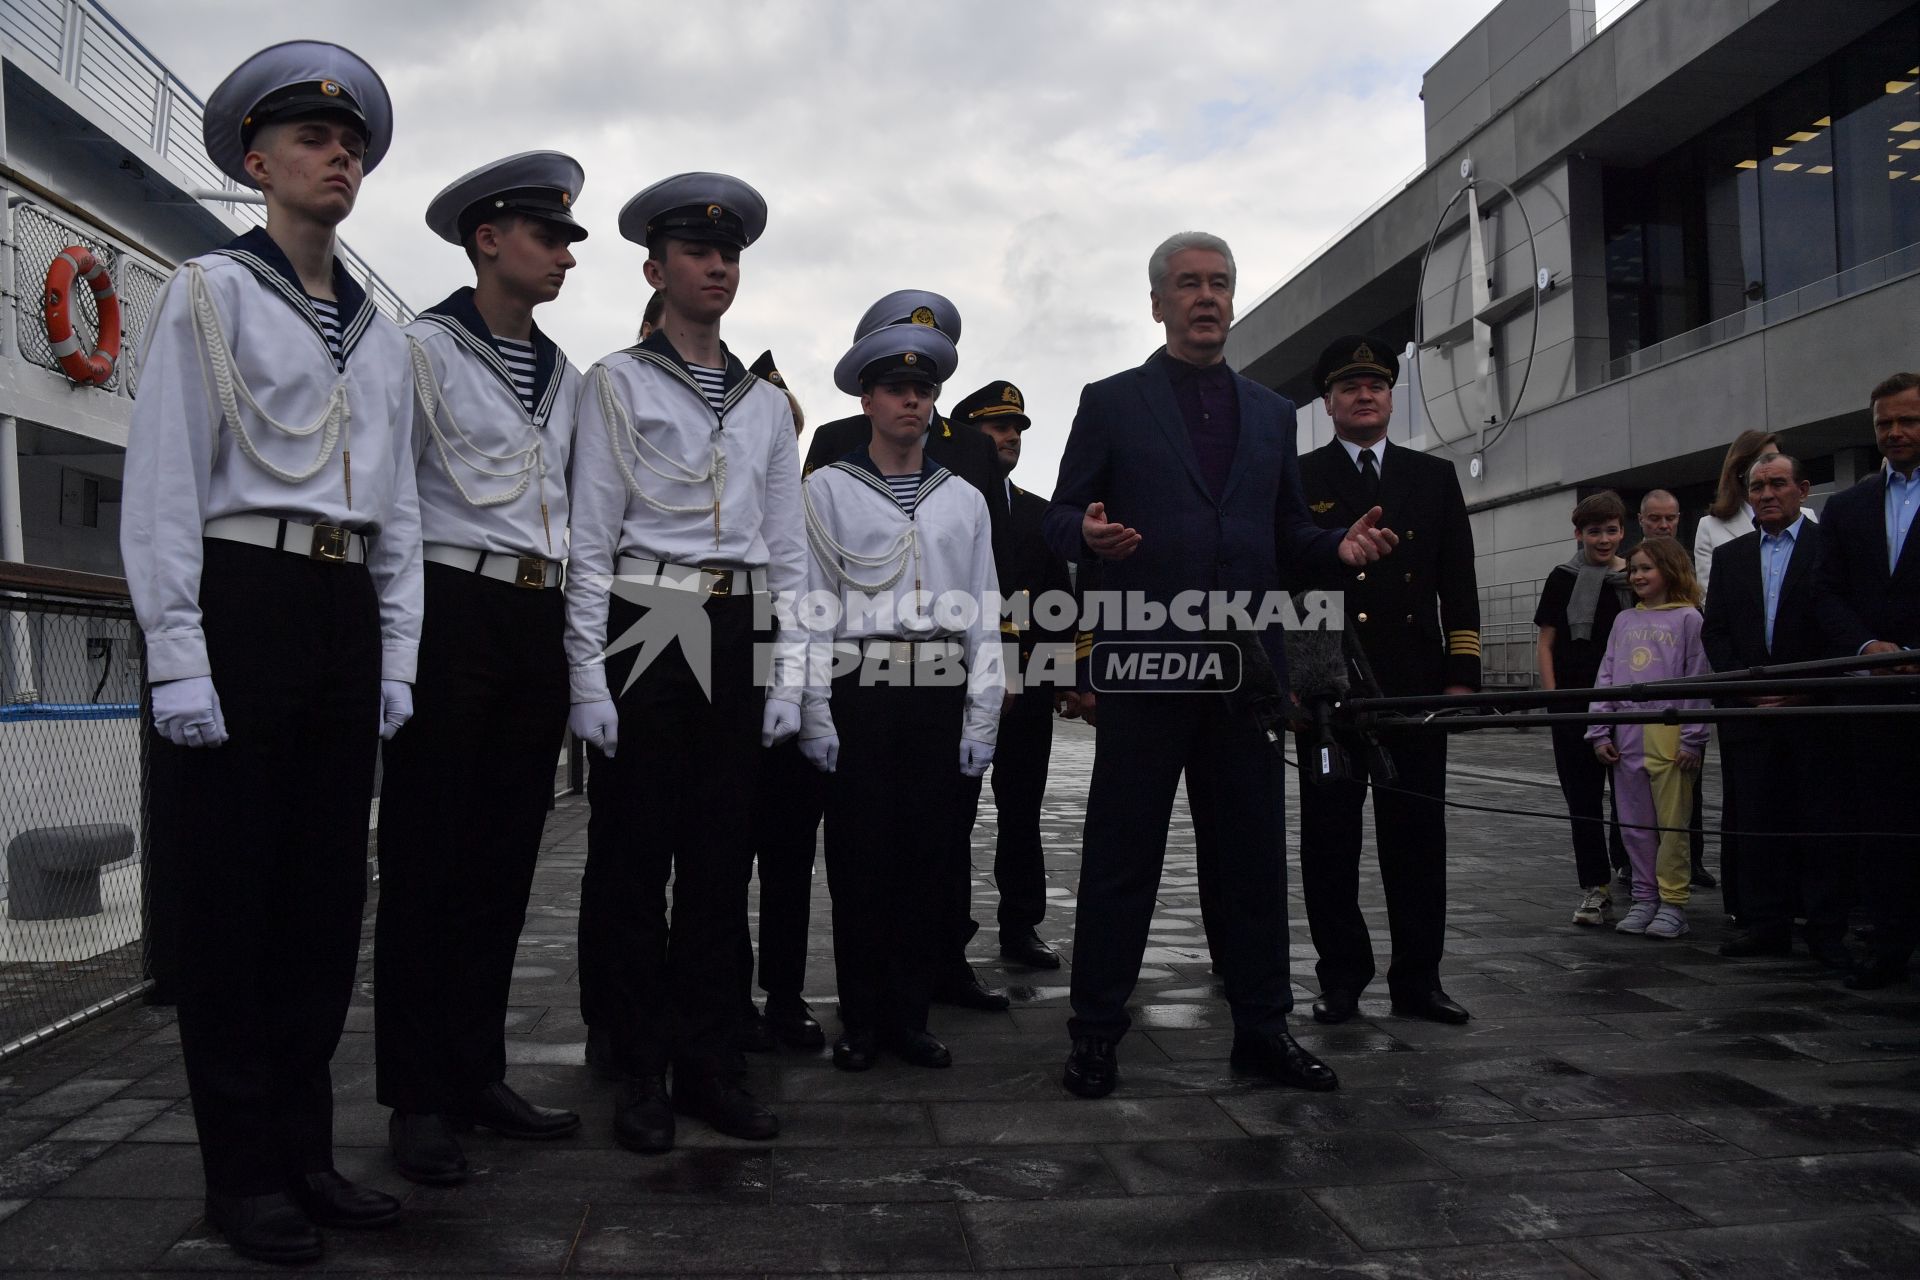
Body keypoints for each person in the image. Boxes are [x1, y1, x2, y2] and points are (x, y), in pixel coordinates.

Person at [121, 41, 416, 1263]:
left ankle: (305, 1152)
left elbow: (395, 506)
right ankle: (240, 1172)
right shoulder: (210, 291)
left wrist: (396, 653)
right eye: (309, 138)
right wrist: (179, 654)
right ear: (256, 162)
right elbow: (165, 479)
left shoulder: (382, 334)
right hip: (242, 593)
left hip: (341, 608)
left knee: (320, 900)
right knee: (234, 901)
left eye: (348, 142)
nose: (337, 153)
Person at [1042, 231, 1395, 1100]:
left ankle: (1262, 1029)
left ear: (1232, 302)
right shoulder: (1112, 402)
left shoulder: (1271, 414)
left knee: (1249, 856)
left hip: (1246, 677)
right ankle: (1095, 1032)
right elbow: (1055, 517)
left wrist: (1335, 547)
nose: (1207, 298)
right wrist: (1085, 535)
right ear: (1158, 302)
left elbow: (1285, 536)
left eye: (1221, 285)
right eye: (1189, 285)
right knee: (1123, 854)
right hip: (1145, 665)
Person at [564, 173, 805, 1151]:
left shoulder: (762, 403)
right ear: (657, 271)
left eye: (731, 254)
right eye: (699, 253)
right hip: (651, 608)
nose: (718, 266)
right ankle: (637, 1062)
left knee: (719, 856)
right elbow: (591, 534)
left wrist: (793, 669)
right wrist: (586, 667)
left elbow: (787, 545)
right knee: (633, 853)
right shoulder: (615, 381)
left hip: (737, 617)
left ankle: (711, 1059)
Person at [374, 152, 588, 1187]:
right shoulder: (418, 348)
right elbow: (392, 497)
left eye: (567, 242)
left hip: (535, 610)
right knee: (428, 860)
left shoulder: (569, 377)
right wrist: (397, 643)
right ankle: (416, 1095)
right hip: (447, 603)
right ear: (488, 238)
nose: (562, 257)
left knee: (504, 858)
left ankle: (475, 1071)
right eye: (549, 238)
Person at [795, 321, 1002, 1071]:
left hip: (936, 687)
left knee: (926, 858)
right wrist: (813, 709)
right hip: (861, 688)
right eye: (897, 390)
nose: (912, 403)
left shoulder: (964, 499)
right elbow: (810, 604)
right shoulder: (826, 491)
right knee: (858, 858)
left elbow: (983, 606)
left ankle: (910, 1016)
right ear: (867, 399)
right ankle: (863, 1018)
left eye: (923, 391)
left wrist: (984, 712)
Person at [1289, 336, 1478, 1027]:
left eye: (1376, 384)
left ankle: (1418, 981)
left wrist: (1461, 675)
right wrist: (1288, 680)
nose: (1364, 395)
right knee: (1330, 841)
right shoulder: (1299, 478)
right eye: (1349, 387)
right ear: (1330, 403)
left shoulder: (1431, 478)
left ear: (1391, 397)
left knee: (1418, 839)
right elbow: (1284, 582)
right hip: (1330, 687)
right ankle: (1341, 978)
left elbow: (1458, 582)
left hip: (1413, 684)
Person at [1701, 454, 1847, 966]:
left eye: (1777, 484)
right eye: (1757, 486)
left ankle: (1827, 930)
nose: (1766, 494)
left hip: (1813, 713)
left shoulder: (1827, 549)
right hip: (1751, 712)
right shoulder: (1731, 557)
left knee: (1818, 822)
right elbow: (1714, 629)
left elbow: (1838, 625)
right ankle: (1766, 924)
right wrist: (1746, 688)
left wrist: (1806, 689)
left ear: (1802, 489)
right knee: (1758, 822)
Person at [949, 378, 1075, 970]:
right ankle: (946, 932)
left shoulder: (1038, 513)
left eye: (1017, 428)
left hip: (1027, 686)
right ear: (965, 432)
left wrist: (1067, 677)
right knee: (952, 815)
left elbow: (1059, 601)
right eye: (997, 426)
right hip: (955, 685)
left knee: (1022, 813)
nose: (1010, 438)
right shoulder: (941, 501)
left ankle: (1020, 925)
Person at [734, 349, 828, 1054]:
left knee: (791, 863)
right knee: (723, 859)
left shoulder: (815, 508)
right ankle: (729, 994)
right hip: (731, 691)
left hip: (801, 703)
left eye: (786, 430)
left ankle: (787, 994)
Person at [1817, 371, 1920, 990]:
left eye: (1907, 420)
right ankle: (1888, 941)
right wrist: (1867, 647)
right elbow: (1825, 590)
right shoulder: (1848, 505)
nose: (1895, 432)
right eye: (1884, 422)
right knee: (1882, 824)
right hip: (1874, 691)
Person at [1586, 536, 1711, 939]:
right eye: (1634, 569)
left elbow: (1698, 679)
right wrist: (1599, 728)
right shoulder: (1624, 621)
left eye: (1646, 568)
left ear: (1670, 570)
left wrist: (1693, 737)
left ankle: (1673, 902)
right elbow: (1606, 675)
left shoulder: (1690, 619)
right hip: (1627, 734)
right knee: (1634, 824)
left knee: (1672, 823)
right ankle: (1644, 898)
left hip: (1669, 732)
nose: (1637, 575)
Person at [1534, 492, 1633, 924]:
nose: (1604, 539)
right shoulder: (1562, 578)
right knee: (1583, 799)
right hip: (1574, 700)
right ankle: (1595, 885)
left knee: (1632, 796)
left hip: (1629, 701)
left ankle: (1636, 871)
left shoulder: (1636, 576)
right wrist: (1554, 700)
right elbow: (1546, 643)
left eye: (1611, 530)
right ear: (1579, 534)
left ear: (1623, 531)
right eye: (1595, 531)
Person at [1640, 488, 1715, 890]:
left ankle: (1692, 861)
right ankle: (1632, 863)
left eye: (1670, 518)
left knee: (1689, 788)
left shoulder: (1683, 569)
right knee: (1633, 792)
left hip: (1678, 703)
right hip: (1640, 702)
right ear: (1642, 520)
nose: (1663, 525)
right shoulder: (1632, 570)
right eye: (1655, 518)